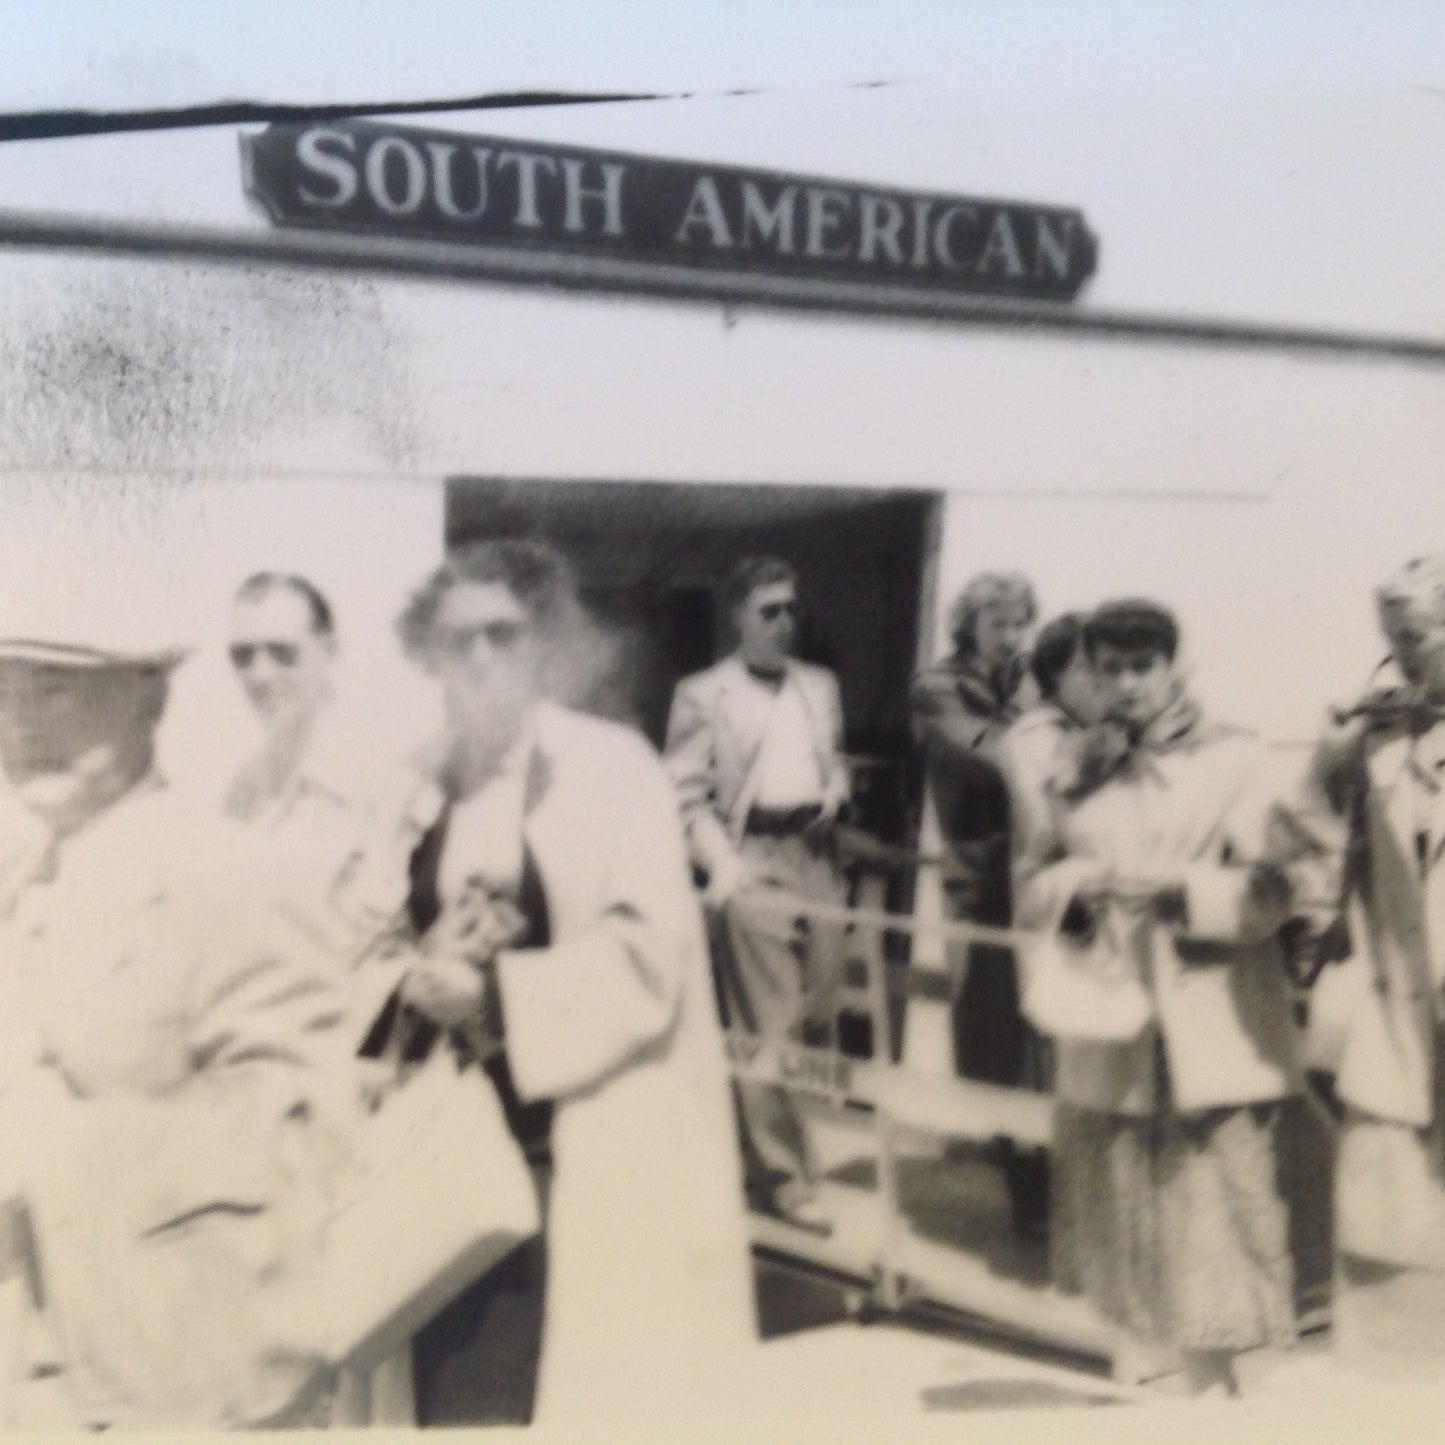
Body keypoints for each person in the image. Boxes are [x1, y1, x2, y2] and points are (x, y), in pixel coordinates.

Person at [343, 538, 755, 1430]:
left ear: (543, 642)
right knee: (443, 1389)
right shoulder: (408, 780)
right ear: (429, 653)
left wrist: (496, 1000)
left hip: (574, 1150)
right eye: (459, 639)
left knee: (560, 1390)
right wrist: (415, 970)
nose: (483, 656)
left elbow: (653, 955)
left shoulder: (614, 769)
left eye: (505, 632)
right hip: (439, 1150)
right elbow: (361, 936)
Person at [0, 636, 359, 1429]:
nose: (20, 721)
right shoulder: (28, 876)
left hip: (199, 1373)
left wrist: (56, 1142)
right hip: (46, 1369)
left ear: (148, 698)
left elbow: (312, 1123)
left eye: (53, 689)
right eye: (5, 689)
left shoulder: (228, 869)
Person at [1015, 599, 1300, 1397]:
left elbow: (1279, 887)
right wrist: (1079, 888)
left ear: (1174, 667)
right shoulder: (1072, 768)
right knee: (1130, 1233)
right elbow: (1030, 880)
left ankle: (1218, 1396)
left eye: (1141, 667)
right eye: (1107, 669)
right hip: (1111, 1021)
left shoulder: (1236, 757)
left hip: (1207, 1027)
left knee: (1210, 1227)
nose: (1125, 685)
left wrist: (1183, 891)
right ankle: (1163, 1394)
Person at [1277, 554, 1445, 1374]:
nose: (1402, 657)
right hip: (1397, 1002)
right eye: (1392, 639)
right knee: (1385, 1192)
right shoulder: (1374, 734)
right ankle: (1387, 1374)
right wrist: (1325, 761)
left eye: (1415, 637)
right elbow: (1297, 827)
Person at [663, 556, 850, 1235]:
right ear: (737, 615)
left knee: (814, 1019)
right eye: (768, 610)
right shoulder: (703, 692)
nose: (783, 622)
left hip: (817, 858)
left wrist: (836, 791)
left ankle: (759, 1154)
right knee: (767, 1026)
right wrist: (723, 864)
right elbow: (682, 795)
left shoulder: (818, 684)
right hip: (754, 860)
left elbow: (830, 761)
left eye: (791, 608)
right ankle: (786, 1177)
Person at [910, 570, 1043, 1236]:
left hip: (1037, 875)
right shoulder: (936, 687)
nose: (1013, 636)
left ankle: (1038, 1185)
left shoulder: (1030, 681)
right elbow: (992, 757)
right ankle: (1016, 1187)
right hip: (982, 881)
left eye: (1021, 623)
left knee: (1041, 1030)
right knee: (990, 1029)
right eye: (999, 623)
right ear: (968, 625)